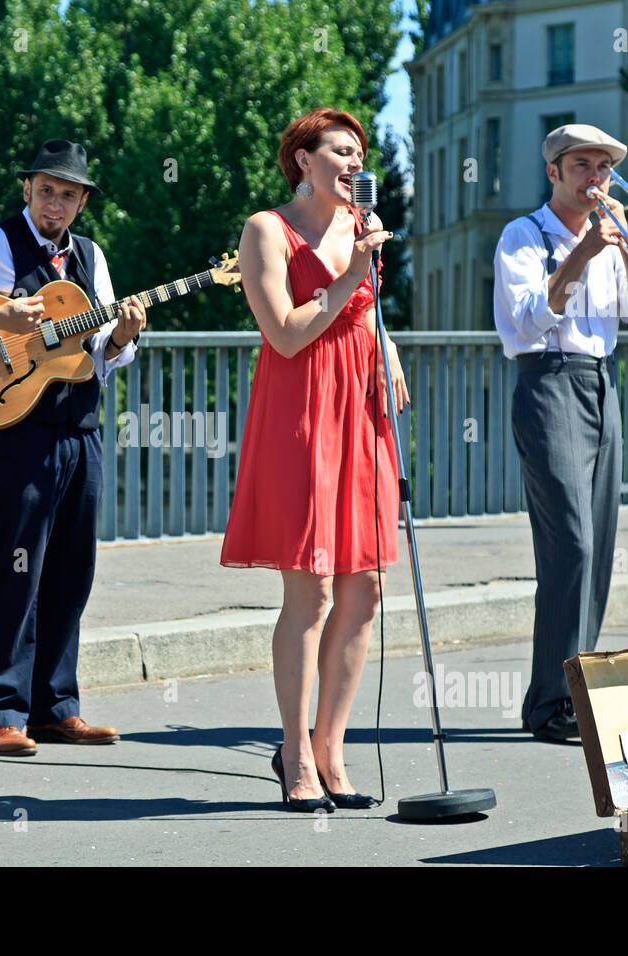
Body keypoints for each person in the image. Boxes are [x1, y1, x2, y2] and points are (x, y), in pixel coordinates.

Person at [0, 140, 146, 756]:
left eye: (69, 194)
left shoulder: (91, 258)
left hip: (80, 430)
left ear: (83, 201)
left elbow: (96, 356)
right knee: (15, 567)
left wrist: (120, 338)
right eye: (47, 190)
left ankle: (54, 707)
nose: (56, 203)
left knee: (72, 570)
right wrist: (6, 315)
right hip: (14, 428)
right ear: (27, 191)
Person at [220, 108, 408, 811]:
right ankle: (294, 753)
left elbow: (364, 311)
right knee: (313, 590)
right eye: (339, 151)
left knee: (365, 586)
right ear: (302, 159)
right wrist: (352, 270)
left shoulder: (360, 230)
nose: (355, 162)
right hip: (301, 412)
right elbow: (287, 334)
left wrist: (389, 353)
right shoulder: (266, 229)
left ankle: (331, 749)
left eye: (360, 152)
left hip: (359, 408)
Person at [492, 124, 628, 742]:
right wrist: (582, 254)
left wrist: (621, 248)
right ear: (554, 172)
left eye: (603, 168)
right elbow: (520, 327)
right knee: (571, 542)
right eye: (581, 166)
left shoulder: (611, 237)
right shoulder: (524, 235)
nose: (594, 178)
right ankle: (549, 703)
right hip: (546, 381)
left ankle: (572, 693)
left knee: (597, 545)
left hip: (600, 382)